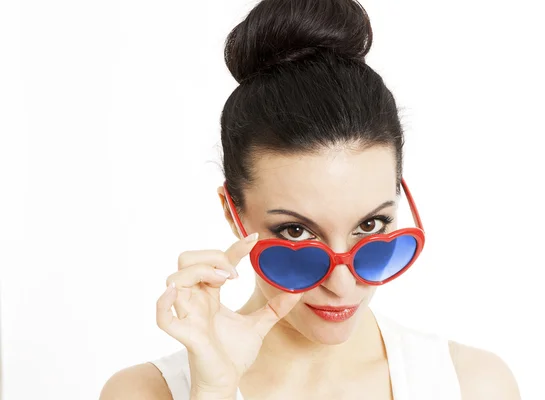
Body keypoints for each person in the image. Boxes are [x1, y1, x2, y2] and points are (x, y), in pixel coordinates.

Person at [100, 0, 521, 399]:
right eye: (297, 232)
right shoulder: (145, 393)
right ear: (233, 212)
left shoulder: (473, 386)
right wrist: (214, 391)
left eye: (370, 226)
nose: (341, 286)